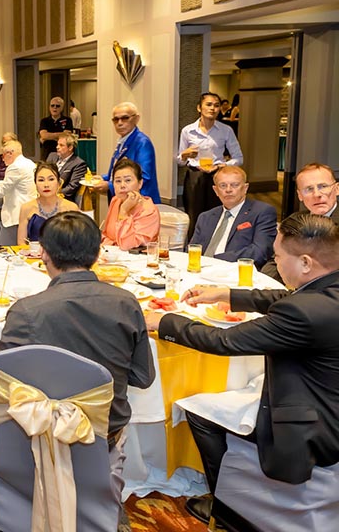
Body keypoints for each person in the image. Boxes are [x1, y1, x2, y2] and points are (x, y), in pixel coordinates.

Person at [0, 212, 155, 530]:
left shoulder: (25, 310)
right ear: (97, 254)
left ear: (44, 255)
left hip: (41, 430)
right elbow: (143, 378)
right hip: (102, 432)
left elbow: (1, 388)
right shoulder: (127, 302)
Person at [145, 212, 339, 525]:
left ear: (305, 263)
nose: (275, 264)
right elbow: (288, 297)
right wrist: (225, 294)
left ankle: (228, 510)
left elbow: (224, 341)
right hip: (327, 395)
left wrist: (165, 321)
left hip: (315, 427)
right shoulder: (326, 291)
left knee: (198, 411)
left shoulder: (304, 313)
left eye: (278, 257)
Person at [178, 92, 243, 238]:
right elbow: (180, 160)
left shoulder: (226, 130)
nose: (212, 108)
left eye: (216, 105)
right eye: (208, 104)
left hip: (217, 175)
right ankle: (194, 247)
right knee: (193, 215)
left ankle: (216, 247)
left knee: (217, 214)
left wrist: (221, 165)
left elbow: (239, 158)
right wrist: (185, 155)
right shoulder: (188, 131)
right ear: (199, 108)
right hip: (195, 175)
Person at [188, 166, 277, 267]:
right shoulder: (205, 217)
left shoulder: (262, 212)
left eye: (235, 185)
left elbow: (260, 252)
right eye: (223, 185)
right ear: (216, 190)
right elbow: (192, 250)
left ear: (245, 188)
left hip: (235, 271)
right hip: (199, 270)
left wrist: (215, 260)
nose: (228, 190)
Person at [96, 102, 160, 203]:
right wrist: (103, 178)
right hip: (125, 200)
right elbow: (119, 169)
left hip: (140, 201)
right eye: (116, 119)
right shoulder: (123, 140)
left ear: (136, 119)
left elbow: (143, 176)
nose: (120, 123)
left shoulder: (142, 142)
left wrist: (110, 185)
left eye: (125, 118)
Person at [0, 140, 36, 245]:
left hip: (15, 215)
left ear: (10, 153)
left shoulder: (14, 167)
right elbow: (13, 185)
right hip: (29, 210)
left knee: (6, 248)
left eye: (3, 155)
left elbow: (0, 193)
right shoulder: (30, 163)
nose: (2, 159)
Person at [102, 158, 160, 250]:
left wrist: (124, 211)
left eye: (128, 180)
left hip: (137, 257)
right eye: (118, 181)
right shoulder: (116, 201)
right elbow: (106, 235)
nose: (122, 185)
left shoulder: (149, 211)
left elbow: (127, 245)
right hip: (111, 255)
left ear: (140, 183)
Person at [16, 162, 80, 244]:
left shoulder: (71, 208)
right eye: (41, 180)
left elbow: (77, 241)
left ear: (59, 183)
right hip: (34, 251)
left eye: (51, 179)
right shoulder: (26, 208)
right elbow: (21, 242)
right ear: (35, 184)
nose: (46, 185)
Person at [46, 132, 89, 202]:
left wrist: (53, 194)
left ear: (70, 147)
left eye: (61, 145)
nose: (57, 147)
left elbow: (71, 187)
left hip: (63, 200)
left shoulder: (78, 164)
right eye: (57, 144)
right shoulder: (52, 156)